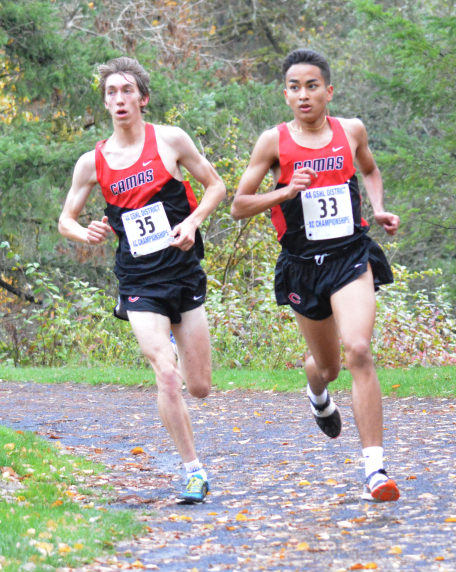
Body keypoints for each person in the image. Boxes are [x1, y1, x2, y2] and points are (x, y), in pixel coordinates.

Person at [231, 49, 400, 502]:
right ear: (285, 94)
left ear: (329, 90)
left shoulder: (351, 131)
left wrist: (378, 207)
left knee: (359, 351)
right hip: (302, 266)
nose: (303, 94)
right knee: (326, 366)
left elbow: (369, 169)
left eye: (311, 86)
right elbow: (238, 206)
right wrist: (285, 190)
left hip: (349, 255)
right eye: (294, 87)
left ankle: (375, 470)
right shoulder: (273, 142)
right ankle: (317, 394)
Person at [58, 57, 226, 503]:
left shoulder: (169, 140)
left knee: (199, 387)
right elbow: (66, 221)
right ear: (105, 102)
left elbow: (216, 187)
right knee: (166, 377)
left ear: (143, 98)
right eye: (111, 92)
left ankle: (173, 348)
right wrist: (85, 231)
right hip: (138, 279)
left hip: (181, 271)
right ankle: (193, 471)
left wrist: (191, 223)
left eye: (126, 90)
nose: (118, 99)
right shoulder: (92, 162)